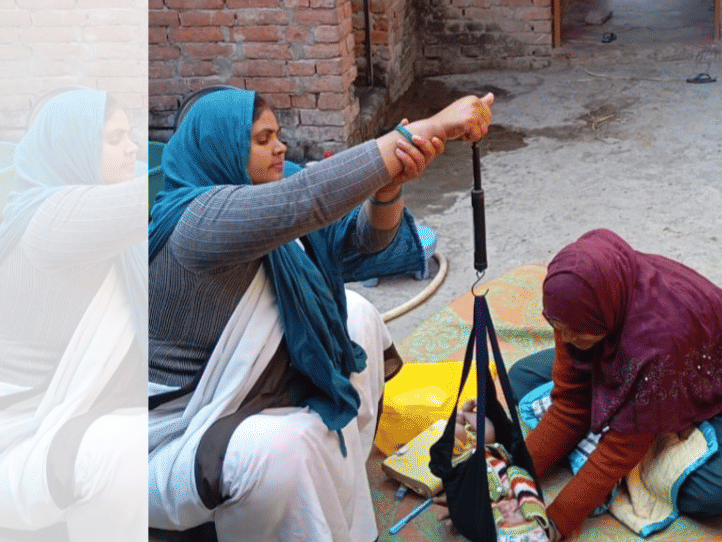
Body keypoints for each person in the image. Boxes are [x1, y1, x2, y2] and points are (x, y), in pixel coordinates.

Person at [146, 87, 492, 541]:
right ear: (221, 149)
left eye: (278, 135)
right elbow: (309, 197)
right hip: (182, 432)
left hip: (257, 395)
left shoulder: (271, 189)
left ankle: (341, 501)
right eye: (262, 139)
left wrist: (386, 190)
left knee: (357, 317)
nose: (280, 147)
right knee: (284, 449)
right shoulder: (197, 224)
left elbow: (365, 241)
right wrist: (426, 129)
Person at [465, 228, 722, 540]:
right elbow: (571, 408)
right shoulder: (579, 302)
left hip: (717, 389)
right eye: (558, 327)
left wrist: (557, 521)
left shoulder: (654, 344)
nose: (568, 339)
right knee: (520, 377)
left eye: (579, 333)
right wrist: (507, 481)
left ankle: (665, 417)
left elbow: (620, 449)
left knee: (721, 490)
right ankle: (633, 404)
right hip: (624, 350)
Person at [0, 88, 147, 538]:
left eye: (131, 135)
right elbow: (165, 188)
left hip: (85, 412)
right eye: (115, 138)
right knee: (124, 451)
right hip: (22, 439)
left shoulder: (103, 210)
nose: (134, 148)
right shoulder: (48, 223)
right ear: (75, 150)